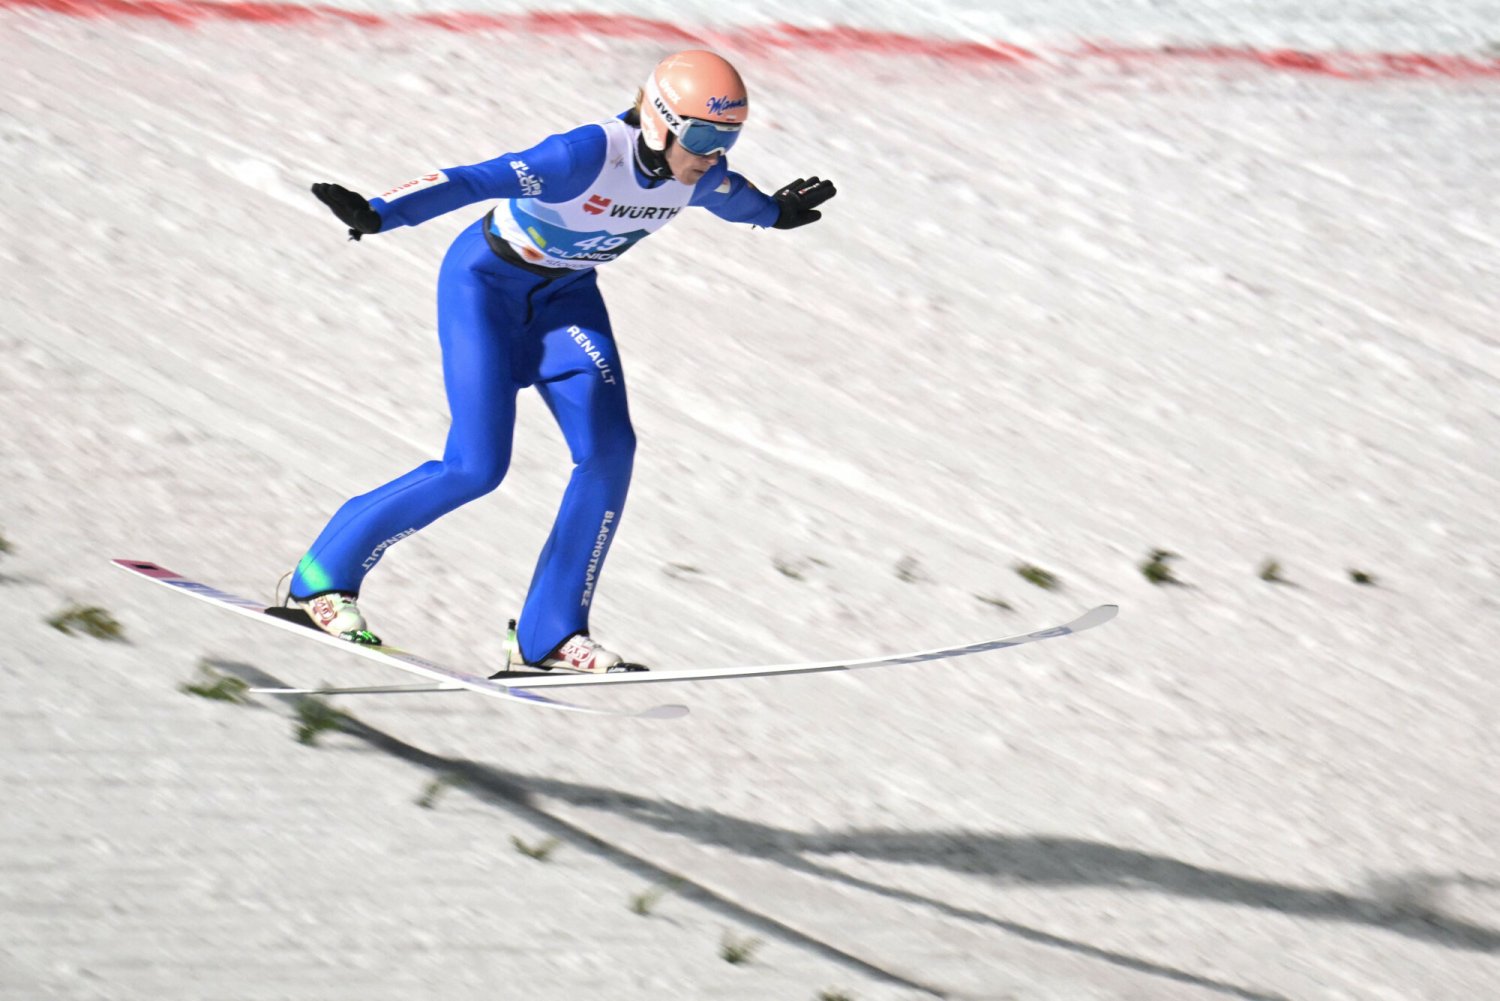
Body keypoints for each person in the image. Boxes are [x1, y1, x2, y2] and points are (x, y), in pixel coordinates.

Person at [287, 49, 836, 674]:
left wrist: (779, 214)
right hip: (484, 289)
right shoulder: (584, 157)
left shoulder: (704, 175)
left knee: (610, 454)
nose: (714, 154)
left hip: (566, 301)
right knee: (476, 466)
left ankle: (548, 635)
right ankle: (320, 579)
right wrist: (384, 211)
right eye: (705, 135)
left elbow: (739, 200)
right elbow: (477, 178)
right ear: (659, 121)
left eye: (729, 137)